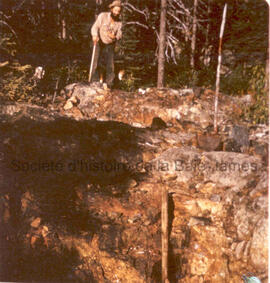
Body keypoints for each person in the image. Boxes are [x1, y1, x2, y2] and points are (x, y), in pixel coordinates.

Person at [90, 1, 122, 89]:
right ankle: (94, 82)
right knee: (95, 62)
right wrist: (94, 35)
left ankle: (109, 85)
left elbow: (120, 34)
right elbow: (95, 27)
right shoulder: (102, 16)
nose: (116, 13)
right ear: (111, 9)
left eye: (118, 11)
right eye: (115, 10)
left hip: (110, 44)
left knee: (110, 65)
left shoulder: (119, 22)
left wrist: (115, 37)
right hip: (99, 41)